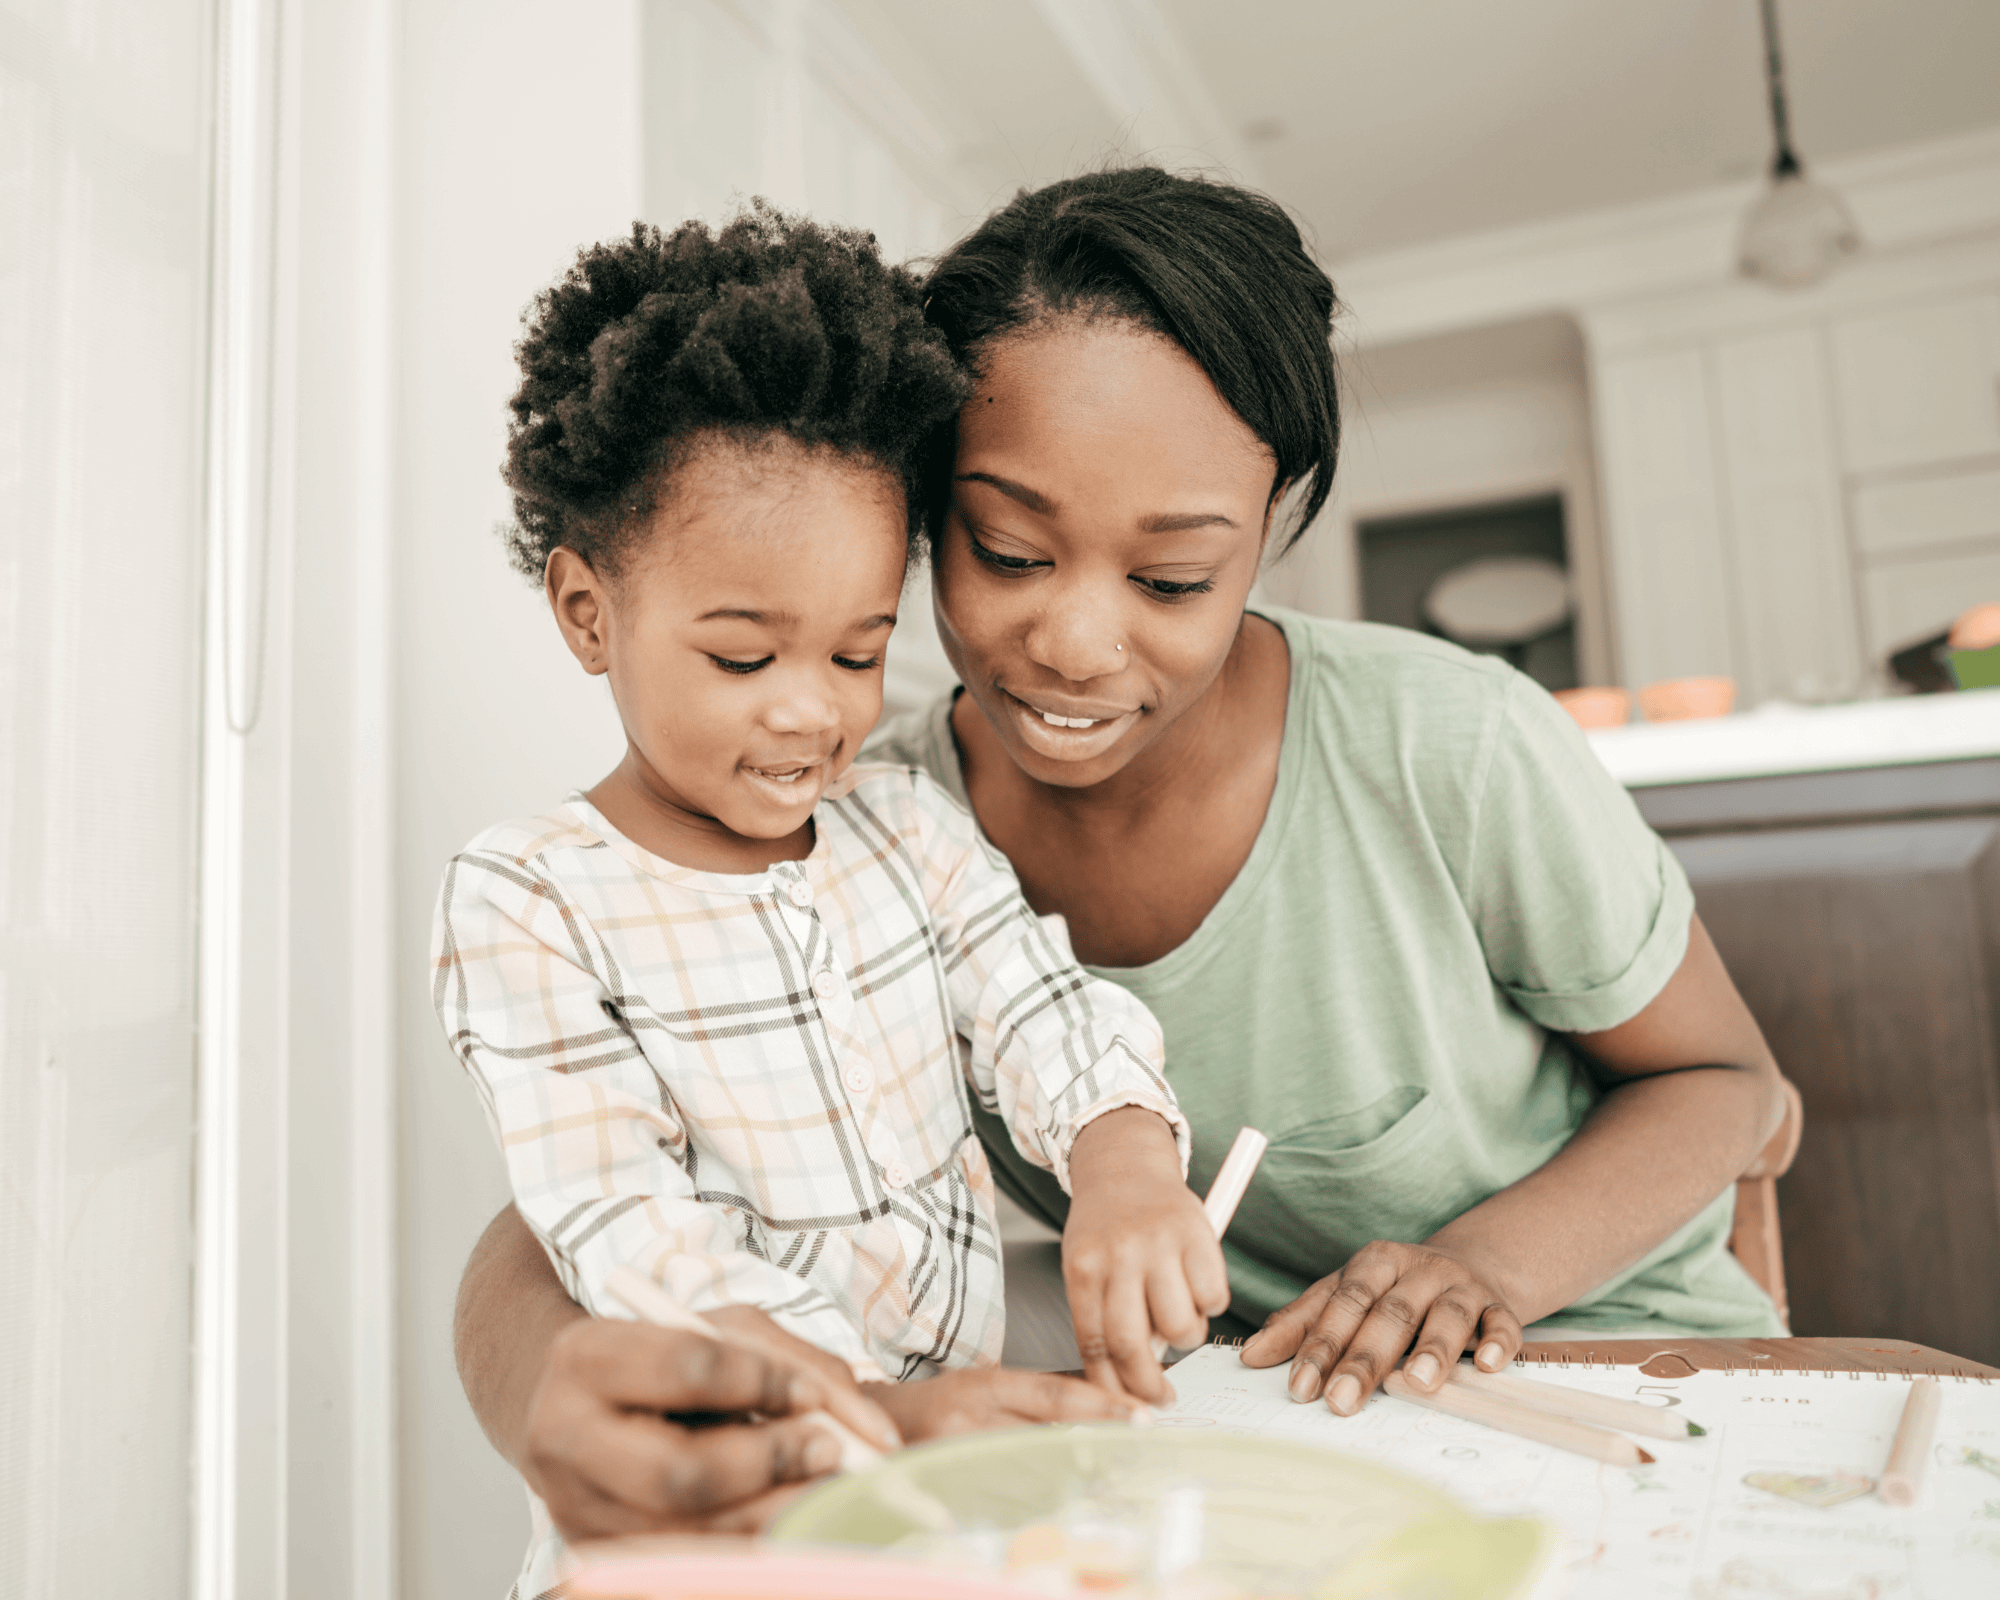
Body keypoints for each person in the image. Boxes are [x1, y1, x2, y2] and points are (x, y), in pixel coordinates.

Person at [452, 167, 1788, 1541]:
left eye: (1170, 579)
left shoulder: (1454, 747)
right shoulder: (853, 817)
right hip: (1267, 1415)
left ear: (1268, 532)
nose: (1079, 646)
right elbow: (586, 1195)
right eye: (1010, 551)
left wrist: (1475, 1266)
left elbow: (1730, 1084)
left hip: (1611, 1361)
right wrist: (546, 1388)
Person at [434, 207, 1229, 1597]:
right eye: (744, 657)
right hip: (729, 1506)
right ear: (587, 614)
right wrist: (868, 1421)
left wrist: (1121, 1160)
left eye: (860, 653)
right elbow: (624, 1227)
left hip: (945, 1492)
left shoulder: (905, 829)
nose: (814, 712)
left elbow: (1040, 1004)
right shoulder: (534, 897)